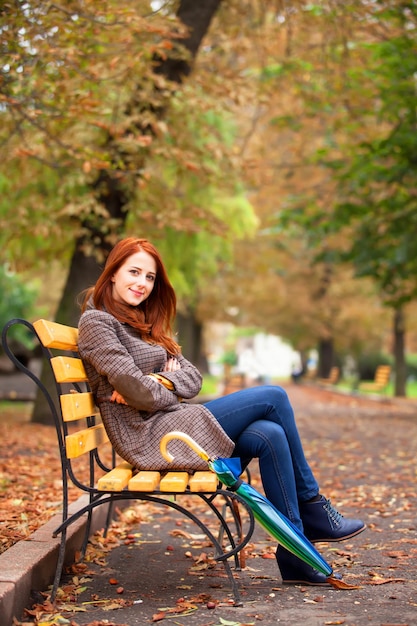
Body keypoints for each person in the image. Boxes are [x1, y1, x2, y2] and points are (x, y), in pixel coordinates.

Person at [78, 237, 366, 586]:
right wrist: (156, 386)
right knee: (274, 396)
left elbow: (192, 378)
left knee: (270, 434)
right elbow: (135, 392)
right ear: (112, 274)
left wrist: (161, 384)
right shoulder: (97, 323)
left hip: (170, 423)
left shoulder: (144, 323)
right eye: (134, 272)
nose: (142, 283)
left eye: (150, 277)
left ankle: (295, 555)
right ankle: (313, 505)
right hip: (150, 438)